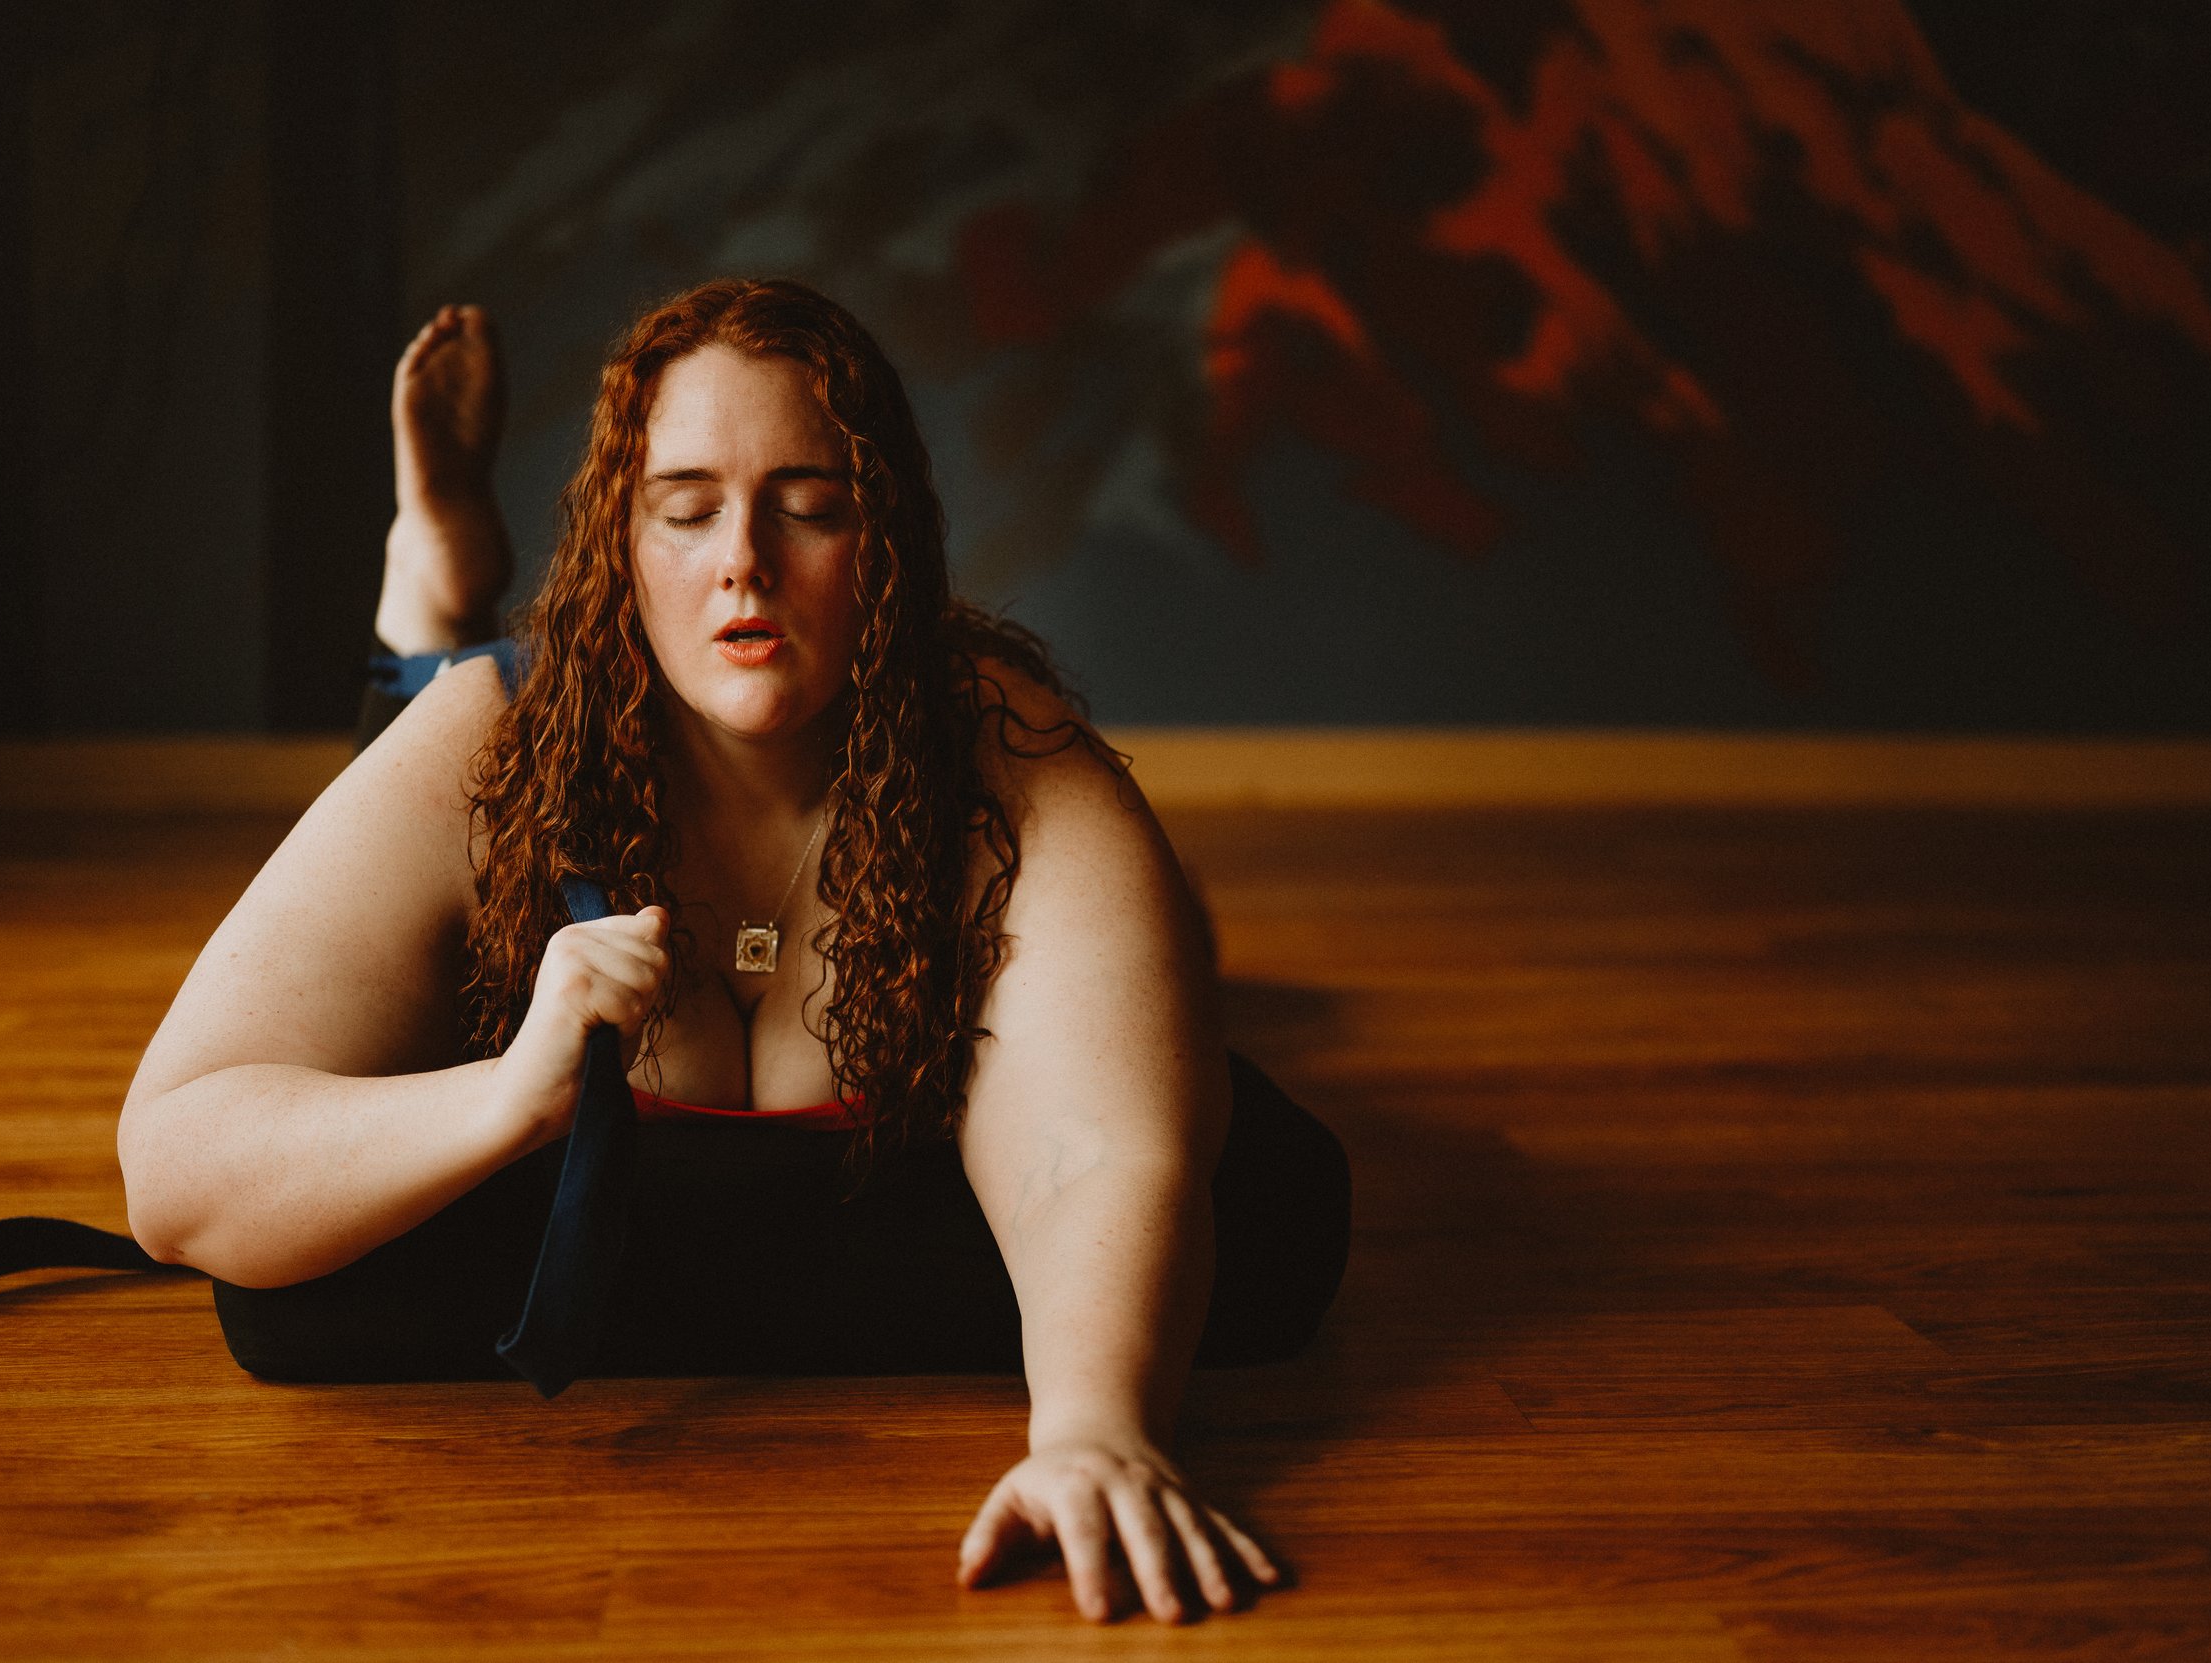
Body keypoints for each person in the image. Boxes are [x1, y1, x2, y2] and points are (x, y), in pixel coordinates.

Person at [113, 281, 1349, 1626]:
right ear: (619, 542)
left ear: (888, 536)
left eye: (809, 506)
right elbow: (173, 1173)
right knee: (300, 1266)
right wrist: (506, 1097)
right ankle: (431, 605)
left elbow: (1101, 1151)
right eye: (686, 511)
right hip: (486, 750)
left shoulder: (1009, 754)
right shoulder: (491, 737)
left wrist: (1096, 1431)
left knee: (1246, 1156)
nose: (744, 563)